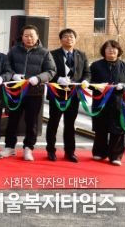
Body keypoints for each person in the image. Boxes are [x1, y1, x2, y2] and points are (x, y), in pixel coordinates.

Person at [2, 25, 56, 161]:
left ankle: (28, 148)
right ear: (22, 37)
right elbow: (7, 66)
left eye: (32, 35)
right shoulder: (14, 50)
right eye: (26, 35)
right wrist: (13, 75)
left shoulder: (45, 53)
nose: (29, 38)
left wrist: (38, 78)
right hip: (16, 92)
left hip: (34, 92)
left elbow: (51, 71)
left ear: (37, 37)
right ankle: (9, 147)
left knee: (32, 122)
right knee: (12, 120)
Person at [46, 28, 90, 163]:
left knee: (70, 124)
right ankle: (51, 150)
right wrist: (58, 79)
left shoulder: (81, 55)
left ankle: (70, 152)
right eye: (65, 36)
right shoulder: (52, 54)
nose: (69, 39)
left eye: (71, 36)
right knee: (53, 123)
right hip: (56, 94)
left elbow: (87, 72)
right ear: (60, 40)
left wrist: (85, 81)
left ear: (75, 39)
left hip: (74, 95)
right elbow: (48, 71)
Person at [89, 40, 125, 166]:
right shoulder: (96, 66)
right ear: (104, 51)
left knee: (118, 130)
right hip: (100, 102)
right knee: (100, 128)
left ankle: (116, 156)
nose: (111, 50)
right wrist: (98, 86)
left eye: (114, 48)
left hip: (119, 103)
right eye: (108, 48)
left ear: (118, 51)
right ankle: (99, 152)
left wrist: (124, 85)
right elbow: (88, 82)